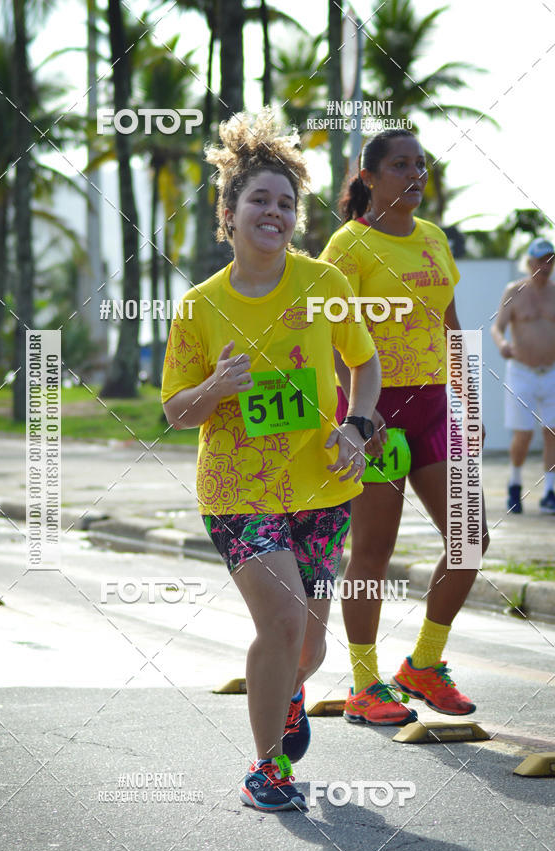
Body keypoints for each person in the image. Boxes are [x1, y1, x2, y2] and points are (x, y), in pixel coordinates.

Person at [161, 110, 380, 810]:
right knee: (282, 624)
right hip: (237, 492)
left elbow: (365, 364)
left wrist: (357, 426)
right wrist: (214, 388)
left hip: (321, 485)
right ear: (228, 214)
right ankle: (266, 767)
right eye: (259, 199)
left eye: (286, 203)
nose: (274, 213)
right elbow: (175, 411)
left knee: (310, 650)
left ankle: (288, 692)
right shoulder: (199, 307)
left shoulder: (324, 285)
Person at [319, 128, 489, 726]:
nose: (415, 174)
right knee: (373, 552)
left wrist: (469, 401)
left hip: (434, 407)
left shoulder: (434, 238)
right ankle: (365, 684)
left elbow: (450, 323)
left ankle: (424, 664)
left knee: (470, 539)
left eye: (421, 164)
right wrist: (356, 413)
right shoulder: (348, 245)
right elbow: (330, 336)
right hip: (376, 413)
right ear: (368, 177)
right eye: (400, 165)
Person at [490, 237, 555, 514]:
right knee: (523, 433)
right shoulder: (514, 291)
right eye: (541, 260)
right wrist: (502, 344)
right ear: (529, 262)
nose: (546, 266)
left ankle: (550, 490)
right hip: (521, 371)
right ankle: (515, 483)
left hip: (551, 371)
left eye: (550, 260)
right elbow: (497, 327)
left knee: (552, 431)